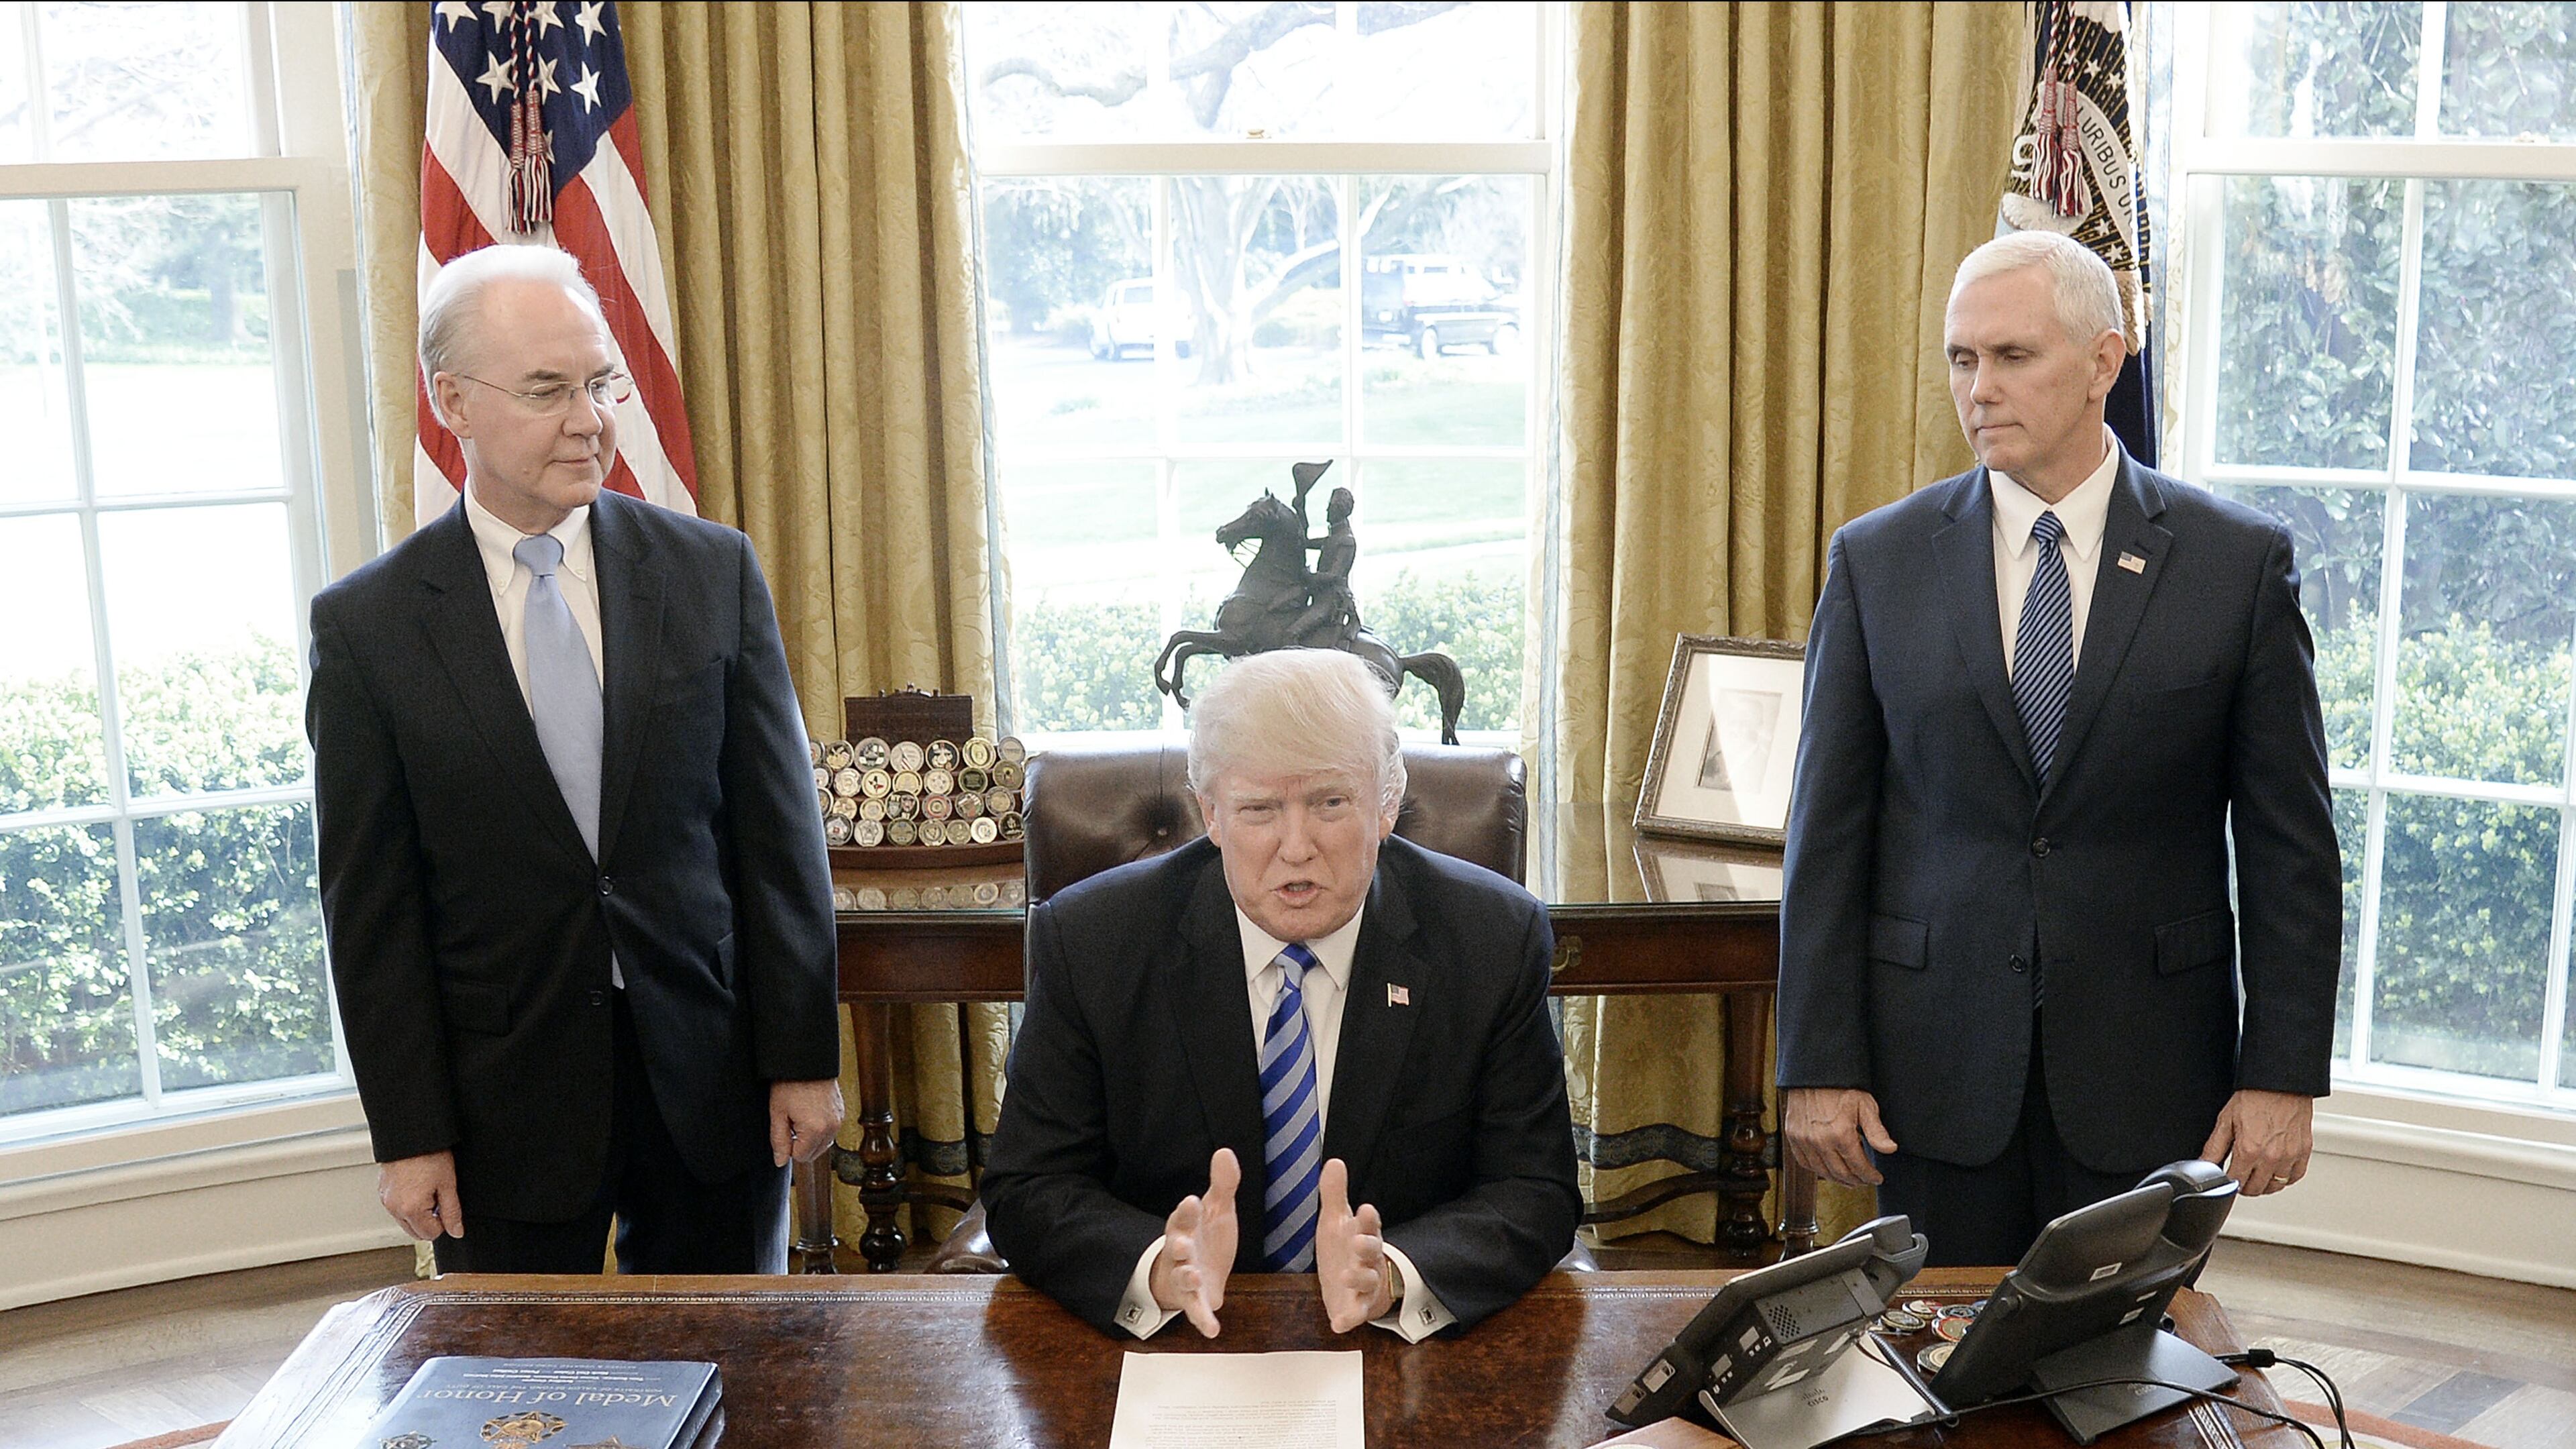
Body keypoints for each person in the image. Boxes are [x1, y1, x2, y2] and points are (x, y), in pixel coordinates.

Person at [1775, 230, 2341, 1267]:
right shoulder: (1877, 562)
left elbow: (2290, 847)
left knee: (2127, 1357)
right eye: (1962, 359)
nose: (1979, 388)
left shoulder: (2236, 565)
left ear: (2102, 363)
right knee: (1943, 1359)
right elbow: (1827, 836)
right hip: (1932, 1073)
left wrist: (2283, 1073)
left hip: (2150, 1072)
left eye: (2012, 356)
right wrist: (1816, 1061)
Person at [306, 244, 844, 1274]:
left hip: (711, 1074)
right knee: (518, 1373)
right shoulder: (369, 628)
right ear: (453, 402)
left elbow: (780, 844)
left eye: (601, 383)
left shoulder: (712, 572)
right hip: (501, 1100)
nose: (589, 419)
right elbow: (372, 910)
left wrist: (802, 1059)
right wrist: (410, 1132)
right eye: (547, 390)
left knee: (738, 1360)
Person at [982, 649, 1578, 1339]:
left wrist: (1393, 1273)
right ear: (1211, 814)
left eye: (1330, 803)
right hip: (1174, 1344)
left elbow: (1534, 1189)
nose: (1296, 847)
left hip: (1394, 1341)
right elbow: (1028, 1185)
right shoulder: (1093, 941)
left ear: (1386, 803)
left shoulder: (1492, 938)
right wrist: (1157, 1267)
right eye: (1259, 809)